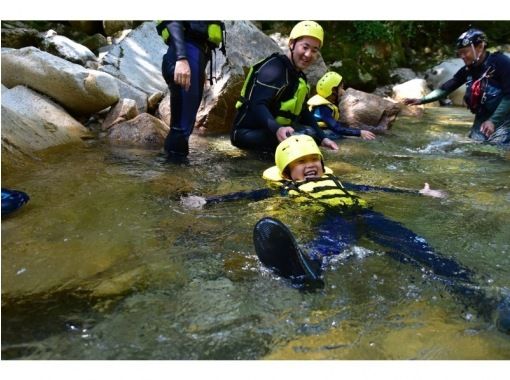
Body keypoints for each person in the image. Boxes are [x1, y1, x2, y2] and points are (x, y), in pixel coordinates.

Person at [182, 135, 510, 333]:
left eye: (315, 159)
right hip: (332, 218)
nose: (310, 165)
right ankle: (311, 262)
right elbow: (250, 196)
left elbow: (375, 187)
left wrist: (419, 194)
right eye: (301, 162)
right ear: (286, 173)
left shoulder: (339, 183)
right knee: (334, 238)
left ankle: (482, 296)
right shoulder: (286, 191)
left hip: (367, 215)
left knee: (418, 249)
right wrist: (208, 202)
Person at [230, 21, 338, 153]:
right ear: (291, 44)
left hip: (272, 133)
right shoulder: (273, 69)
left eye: (314, 50)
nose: (308, 54)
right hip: (245, 134)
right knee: (306, 136)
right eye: (305, 47)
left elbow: (304, 112)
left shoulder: (299, 77)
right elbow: (257, 104)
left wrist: (323, 138)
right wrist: (278, 129)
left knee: (312, 135)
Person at [403, 28, 510, 145]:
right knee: (475, 150)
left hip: (505, 119)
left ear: (480, 47)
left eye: (465, 52)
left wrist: (493, 121)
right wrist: (422, 100)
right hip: (483, 118)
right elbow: (446, 88)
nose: (462, 56)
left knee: (498, 152)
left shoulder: (501, 63)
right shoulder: (468, 70)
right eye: (460, 53)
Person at [158, 21, 226, 160]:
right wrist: (182, 59)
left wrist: (199, 69)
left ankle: (170, 174)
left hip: (192, 57)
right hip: (185, 57)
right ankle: (173, 175)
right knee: (181, 129)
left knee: (183, 127)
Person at [307, 71, 376, 140]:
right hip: (314, 133)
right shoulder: (323, 108)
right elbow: (337, 129)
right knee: (339, 136)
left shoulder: (323, 103)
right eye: (341, 88)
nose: (343, 91)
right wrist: (359, 133)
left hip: (317, 130)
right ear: (333, 90)